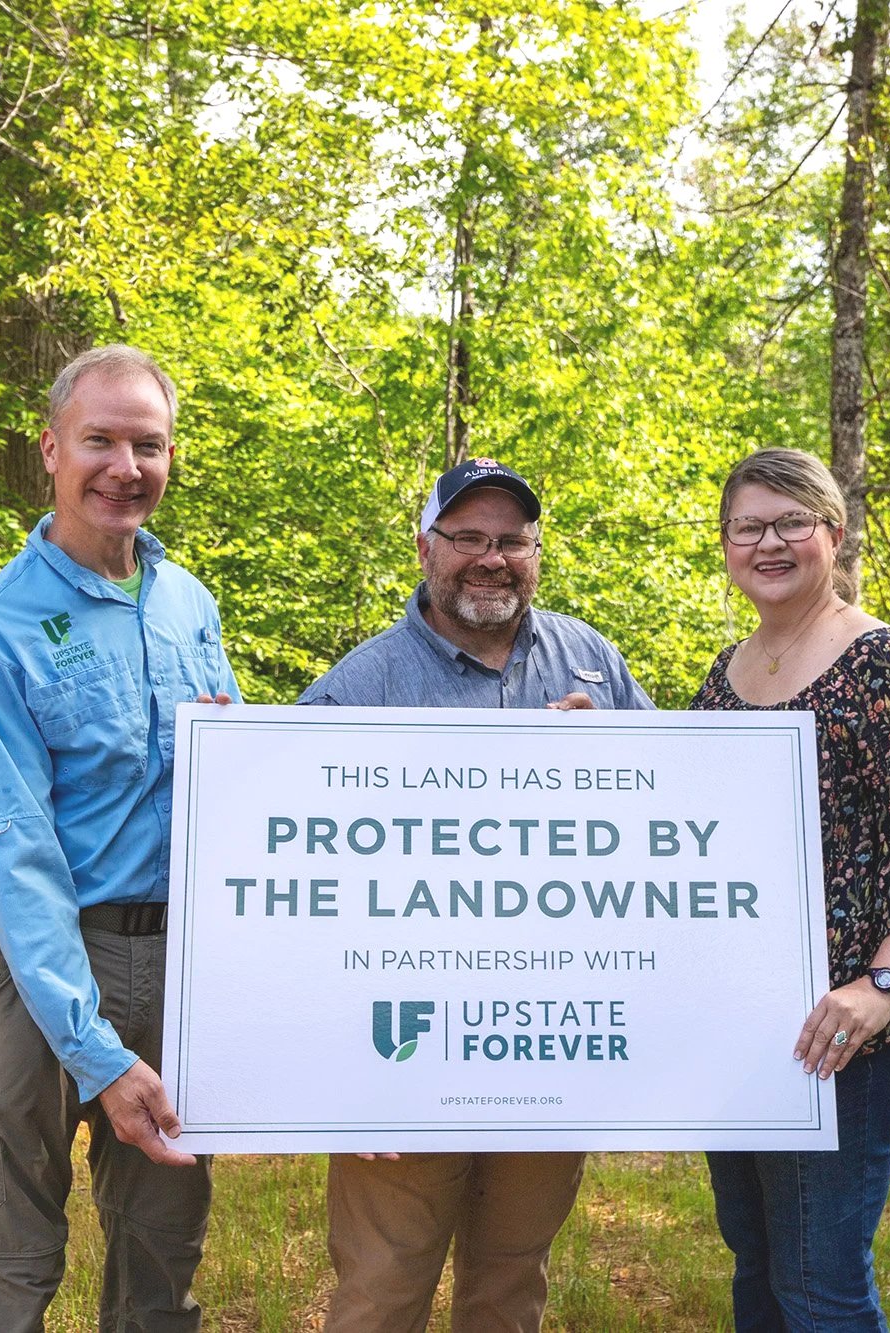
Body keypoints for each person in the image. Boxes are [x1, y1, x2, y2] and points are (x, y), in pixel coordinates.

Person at [0, 344, 239, 1331]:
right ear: (51, 449)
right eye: (98, 440)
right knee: (3, 1255)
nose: (123, 466)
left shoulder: (187, 603)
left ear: (170, 456)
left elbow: (229, 787)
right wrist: (93, 1050)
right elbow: (15, 856)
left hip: (165, 953)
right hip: (20, 966)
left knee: (162, 1242)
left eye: (145, 444)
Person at [299, 457, 654, 1332]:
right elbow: (289, 875)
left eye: (512, 540)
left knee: (510, 1285)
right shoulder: (359, 686)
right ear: (426, 547)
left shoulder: (593, 663)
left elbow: (669, 817)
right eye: (467, 538)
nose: (490, 558)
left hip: (548, 1040)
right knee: (382, 1290)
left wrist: (616, 765)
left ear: (536, 552)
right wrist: (334, 1065)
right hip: (403, 1046)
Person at [691, 447, 890, 1332]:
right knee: (757, 1259)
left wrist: (880, 985)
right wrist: (605, 749)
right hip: (746, 1021)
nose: (770, 542)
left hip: (844, 1032)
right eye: (748, 526)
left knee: (819, 1275)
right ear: (725, 544)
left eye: (791, 521)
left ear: (833, 532)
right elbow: (691, 816)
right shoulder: (728, 674)